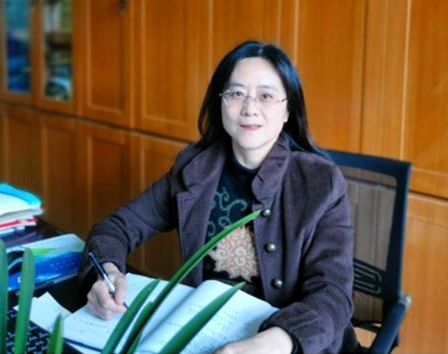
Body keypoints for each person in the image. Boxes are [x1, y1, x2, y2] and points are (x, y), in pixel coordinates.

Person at [79, 40, 359, 353]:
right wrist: (106, 273)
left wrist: (271, 343)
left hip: (287, 344)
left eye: (266, 96)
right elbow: (116, 227)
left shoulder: (319, 182)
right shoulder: (195, 169)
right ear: (220, 103)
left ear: (287, 110)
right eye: (236, 93)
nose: (249, 108)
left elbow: (333, 293)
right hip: (205, 335)